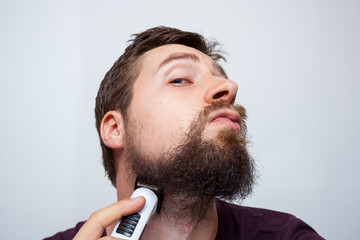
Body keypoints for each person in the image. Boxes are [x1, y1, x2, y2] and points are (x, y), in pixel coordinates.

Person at [44, 26, 324, 240]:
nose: (229, 87)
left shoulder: (287, 236)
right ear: (116, 129)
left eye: (220, 76)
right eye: (180, 79)